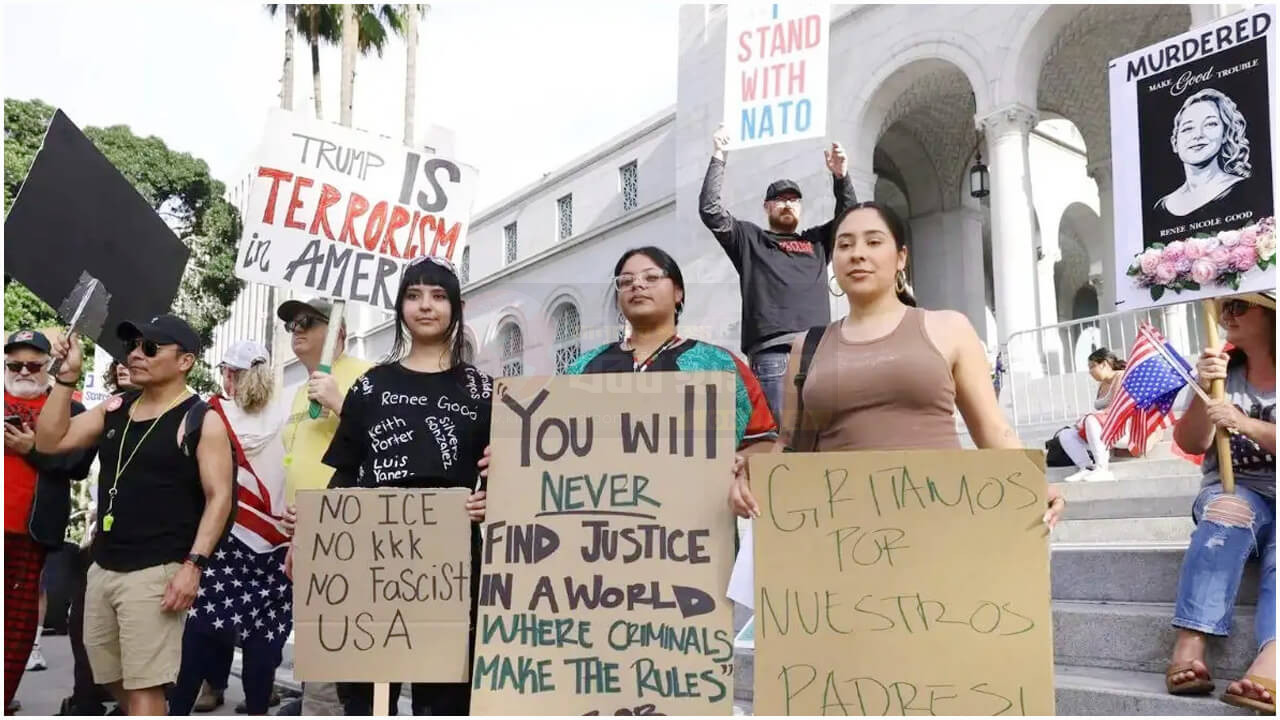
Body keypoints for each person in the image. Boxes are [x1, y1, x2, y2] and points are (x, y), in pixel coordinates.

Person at [728, 202, 1067, 528]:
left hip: (939, 521)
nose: (857, 253)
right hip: (842, 535)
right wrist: (751, 475)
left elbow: (993, 431)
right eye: (844, 245)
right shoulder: (807, 347)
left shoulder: (949, 328)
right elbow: (789, 444)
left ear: (901, 257)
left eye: (874, 242)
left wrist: (1033, 482)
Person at [284, 255, 491, 715]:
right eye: (413, 295)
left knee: (446, 701)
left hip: (452, 565)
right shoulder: (370, 386)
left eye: (438, 296)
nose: (425, 305)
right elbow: (345, 473)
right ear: (400, 308)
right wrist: (312, 529)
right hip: (369, 561)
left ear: (456, 308)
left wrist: (489, 500)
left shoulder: (483, 390)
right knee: (364, 699)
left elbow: (504, 480)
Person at [35, 315, 235, 716]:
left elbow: (220, 498)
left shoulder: (201, 418)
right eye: (133, 345)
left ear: (185, 361)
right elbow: (49, 440)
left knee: (145, 687)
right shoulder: (117, 408)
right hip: (105, 565)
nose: (135, 355)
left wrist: (193, 566)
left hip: (156, 571)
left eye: (150, 347)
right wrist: (66, 379)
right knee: (108, 676)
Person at [699, 124, 857, 421]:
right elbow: (710, 210)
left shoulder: (817, 242)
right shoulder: (750, 240)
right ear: (767, 207)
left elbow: (851, 220)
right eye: (781, 200)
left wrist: (841, 177)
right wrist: (719, 154)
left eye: (793, 200)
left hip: (819, 353)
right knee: (782, 440)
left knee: (824, 437)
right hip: (774, 355)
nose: (788, 205)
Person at [1166, 292, 1275, 713]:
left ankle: (1273, 658)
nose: (1226, 314)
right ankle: (1191, 641)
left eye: (1239, 305)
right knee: (1227, 511)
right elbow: (1192, 442)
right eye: (1224, 306)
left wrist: (1244, 423)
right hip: (1235, 491)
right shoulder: (1222, 374)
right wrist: (1203, 390)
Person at [170, 341, 291, 717]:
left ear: (231, 375)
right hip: (281, 540)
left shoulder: (209, 414)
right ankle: (256, 710)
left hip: (224, 538)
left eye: (227, 372)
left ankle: (178, 710)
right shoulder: (289, 411)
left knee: (200, 634)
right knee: (263, 644)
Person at [565, 246, 778, 452]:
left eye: (651, 277)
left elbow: (764, 442)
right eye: (626, 281)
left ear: (678, 293)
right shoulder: (582, 368)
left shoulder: (720, 365)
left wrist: (737, 464)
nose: (637, 285)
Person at [275, 297, 369, 717]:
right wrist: (296, 536)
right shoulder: (300, 391)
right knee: (317, 645)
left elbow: (386, 442)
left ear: (338, 332)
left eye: (308, 322)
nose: (297, 329)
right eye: (292, 323)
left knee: (332, 649)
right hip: (307, 535)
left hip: (348, 532)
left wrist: (340, 402)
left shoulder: (365, 375)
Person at [4, 329, 95, 712]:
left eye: (33, 365)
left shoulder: (71, 409)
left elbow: (77, 465)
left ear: (49, 365)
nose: (24, 372)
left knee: (17, 621)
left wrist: (33, 450)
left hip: (31, 531)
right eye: (15, 366)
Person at [59, 359, 137, 717]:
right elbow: (74, 463)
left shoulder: (179, 412)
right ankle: (86, 698)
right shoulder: (108, 411)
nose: (124, 363)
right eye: (119, 357)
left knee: (137, 632)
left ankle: (135, 705)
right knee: (84, 623)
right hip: (104, 537)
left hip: (154, 542)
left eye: (138, 353)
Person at [1155, 89, 1252, 219]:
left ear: (1225, 134)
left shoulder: (1246, 190)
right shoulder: (1161, 207)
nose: (1198, 135)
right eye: (1188, 128)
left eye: (1210, 124)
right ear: (1175, 143)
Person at [1058, 347, 1127, 483]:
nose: (1090, 372)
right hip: (1105, 429)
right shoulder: (1102, 385)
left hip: (1123, 429)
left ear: (1104, 364)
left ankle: (1102, 469)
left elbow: (1118, 407)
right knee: (1066, 434)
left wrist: (1090, 417)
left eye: (1092, 367)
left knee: (1091, 419)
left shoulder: (1121, 376)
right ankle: (1087, 467)